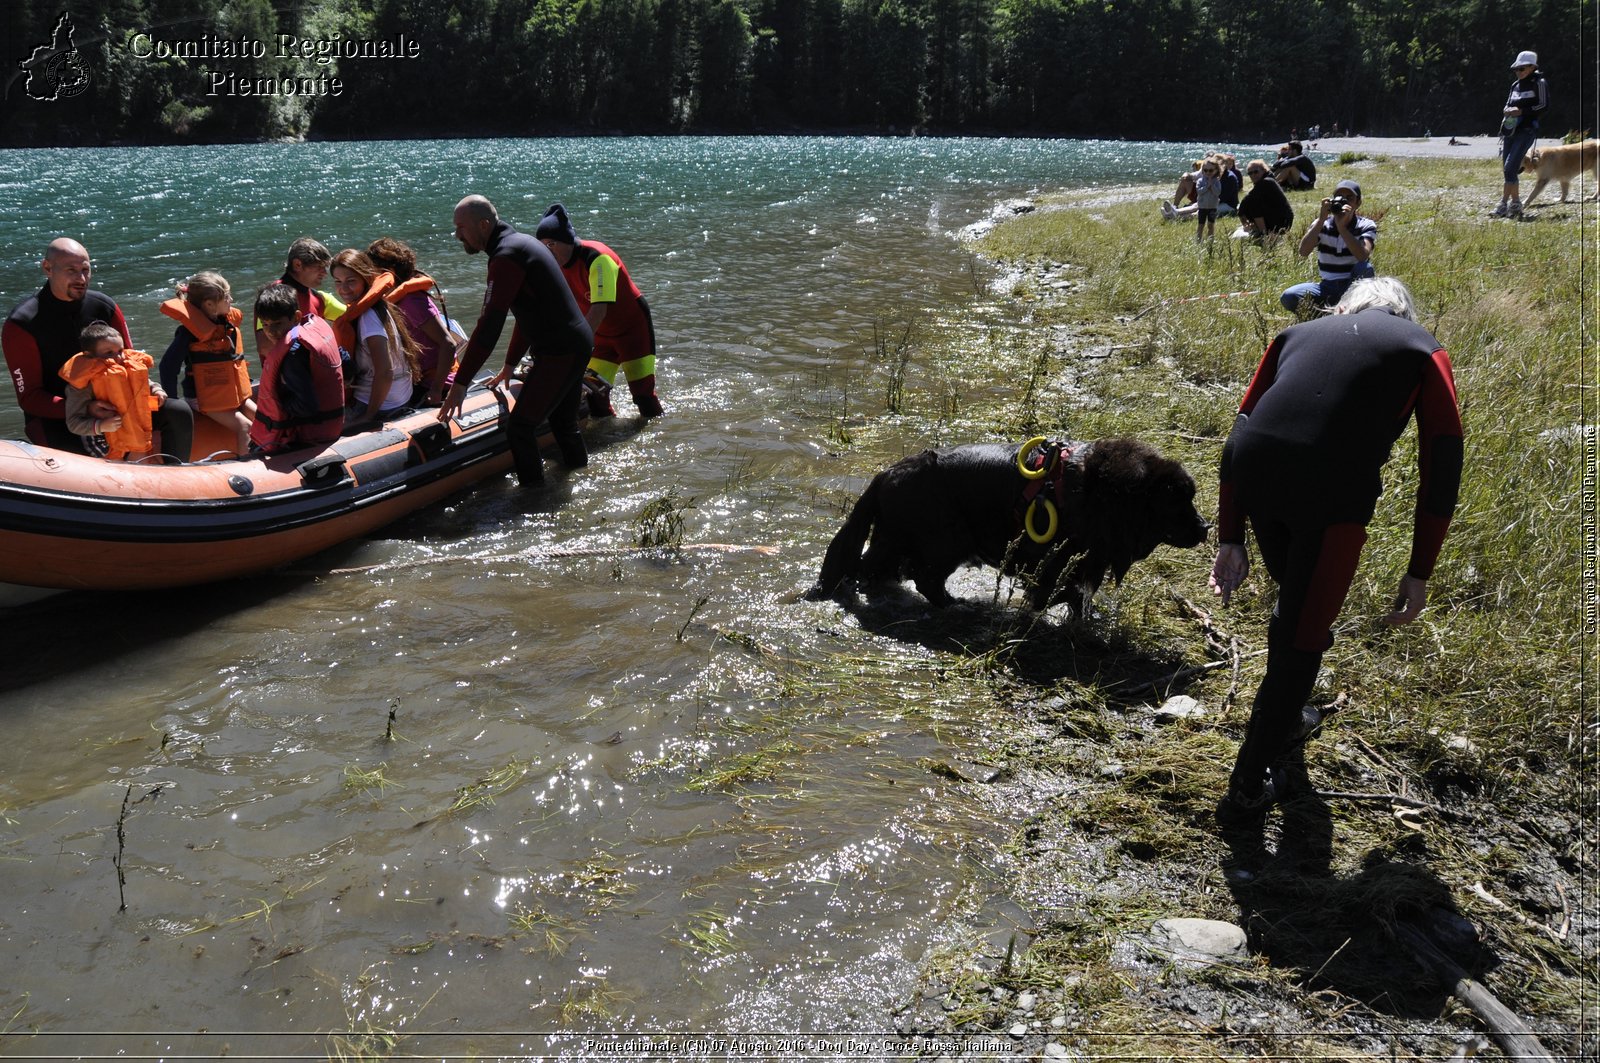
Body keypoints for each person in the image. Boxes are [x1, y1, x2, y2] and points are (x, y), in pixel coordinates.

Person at [1209, 277, 1463, 825]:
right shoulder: (1423, 347)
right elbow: (1442, 462)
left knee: (1297, 607)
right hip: (1330, 494)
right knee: (1302, 635)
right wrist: (1420, 571)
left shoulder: (1294, 332)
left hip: (1255, 472)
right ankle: (1247, 787)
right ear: (1403, 312)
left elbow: (1239, 431)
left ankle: (1289, 709)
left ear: (1343, 306)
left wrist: (1230, 536)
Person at [440, 195, 593, 486]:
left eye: (461, 227)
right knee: (563, 423)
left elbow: (489, 326)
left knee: (520, 428)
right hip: (574, 343)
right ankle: (581, 478)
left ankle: (533, 500)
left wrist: (461, 382)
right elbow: (528, 313)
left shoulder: (506, 257)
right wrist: (509, 364)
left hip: (560, 351)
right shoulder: (521, 243)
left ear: (484, 225)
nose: (457, 234)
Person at [3, 238, 137, 452]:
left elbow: (130, 360)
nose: (81, 278)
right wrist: (85, 408)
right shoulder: (22, 324)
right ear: (47, 268)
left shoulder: (105, 307)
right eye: (71, 270)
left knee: (177, 412)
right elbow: (29, 398)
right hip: (56, 417)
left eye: (86, 269)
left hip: (115, 405)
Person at [535, 203, 665, 419]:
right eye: (542, 246)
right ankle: (607, 439)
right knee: (594, 396)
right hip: (601, 337)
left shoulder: (597, 258)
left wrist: (575, 351)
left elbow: (599, 311)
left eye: (551, 244)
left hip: (632, 331)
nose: (546, 251)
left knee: (643, 397)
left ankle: (661, 435)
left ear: (566, 241)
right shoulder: (554, 266)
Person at [60, 321, 194, 464]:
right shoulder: (82, 382)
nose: (118, 358)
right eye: (109, 353)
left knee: (178, 409)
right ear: (89, 356)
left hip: (134, 423)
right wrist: (101, 425)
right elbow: (74, 422)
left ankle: (173, 467)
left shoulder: (127, 365)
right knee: (115, 455)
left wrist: (156, 390)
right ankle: (121, 469)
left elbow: (145, 382)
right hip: (104, 432)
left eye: (120, 351)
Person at [158, 271, 254, 454]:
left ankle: (274, 454)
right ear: (210, 304)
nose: (231, 299)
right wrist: (171, 405)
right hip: (202, 399)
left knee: (263, 418)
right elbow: (167, 366)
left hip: (228, 393)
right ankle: (248, 469)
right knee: (245, 427)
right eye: (227, 297)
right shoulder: (188, 333)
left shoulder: (224, 323)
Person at [366, 236, 464, 407]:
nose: (369, 277)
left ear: (388, 271)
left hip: (436, 383)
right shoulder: (398, 299)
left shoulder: (411, 301)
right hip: (420, 379)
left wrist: (435, 389)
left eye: (372, 271)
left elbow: (448, 344)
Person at [250, 282, 346, 454]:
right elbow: (345, 360)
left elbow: (307, 406)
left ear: (296, 317)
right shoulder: (311, 335)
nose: (271, 331)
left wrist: (279, 403)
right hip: (330, 424)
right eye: (265, 324)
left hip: (310, 434)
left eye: (277, 324)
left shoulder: (291, 357)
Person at [329, 249, 420, 427]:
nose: (343, 289)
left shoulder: (368, 317)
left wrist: (368, 417)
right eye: (338, 282)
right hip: (400, 398)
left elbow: (385, 372)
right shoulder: (380, 307)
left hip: (380, 407)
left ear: (366, 279)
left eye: (351, 281)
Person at [1279, 179, 1376, 313]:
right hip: (1327, 286)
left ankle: (1351, 310)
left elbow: (1362, 256)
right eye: (1340, 198)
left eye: (1349, 198)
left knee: (1365, 268)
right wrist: (1321, 219)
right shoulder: (1322, 224)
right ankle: (1329, 313)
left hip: (1352, 285)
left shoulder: (1365, 225)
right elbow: (1303, 252)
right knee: (1289, 296)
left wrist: (1342, 228)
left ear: (1358, 203)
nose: (1344, 202)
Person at [1494, 50, 1549, 217]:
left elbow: (1543, 105)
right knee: (1507, 168)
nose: (1518, 72)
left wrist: (1522, 111)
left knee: (1511, 166)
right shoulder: (1515, 85)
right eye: (1516, 69)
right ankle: (1516, 204)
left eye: (1522, 68)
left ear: (1532, 67)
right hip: (1510, 131)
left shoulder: (1539, 83)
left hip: (1527, 130)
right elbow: (1507, 103)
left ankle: (1503, 203)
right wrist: (1507, 110)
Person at [1236, 159, 1295, 239]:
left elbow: (1246, 200)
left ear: (1264, 170)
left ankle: (1263, 235)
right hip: (1278, 220)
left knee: (1254, 204)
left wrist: (1241, 213)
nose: (1253, 175)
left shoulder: (1268, 182)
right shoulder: (1263, 183)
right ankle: (1261, 231)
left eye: (1256, 172)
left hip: (1282, 222)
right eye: (1250, 173)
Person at [1193, 158, 1223, 241]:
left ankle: (1211, 239)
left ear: (1216, 170)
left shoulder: (1217, 181)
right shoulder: (1200, 181)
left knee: (1211, 224)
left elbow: (1218, 193)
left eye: (1210, 170)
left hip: (1212, 207)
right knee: (1201, 224)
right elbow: (1199, 191)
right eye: (1205, 170)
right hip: (1202, 206)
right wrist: (1207, 186)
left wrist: (1212, 186)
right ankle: (1198, 239)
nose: (1208, 173)